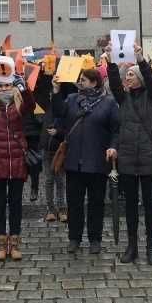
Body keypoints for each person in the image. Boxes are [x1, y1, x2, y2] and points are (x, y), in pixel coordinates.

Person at [51, 68, 119, 255]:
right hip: (74, 161)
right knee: (74, 202)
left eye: (83, 80)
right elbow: (58, 111)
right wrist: (56, 91)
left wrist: (114, 147)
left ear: (94, 83)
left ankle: (95, 239)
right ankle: (74, 238)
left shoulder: (109, 103)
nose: (80, 83)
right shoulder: (73, 99)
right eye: (80, 80)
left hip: (97, 161)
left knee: (96, 203)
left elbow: (115, 129)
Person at [106, 41, 152, 265]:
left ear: (139, 78)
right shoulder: (123, 98)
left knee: (149, 204)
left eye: (130, 75)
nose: (126, 78)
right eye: (126, 75)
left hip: (148, 156)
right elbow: (113, 83)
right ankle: (132, 246)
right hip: (128, 157)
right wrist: (111, 60)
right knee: (130, 204)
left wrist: (140, 59)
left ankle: (151, 247)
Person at [0, 59, 36, 261]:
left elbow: (31, 105)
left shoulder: (19, 102)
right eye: (0, 85)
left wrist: (24, 87)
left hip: (17, 158)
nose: (4, 88)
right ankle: (1, 244)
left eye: (7, 85)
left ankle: (15, 243)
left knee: (16, 203)